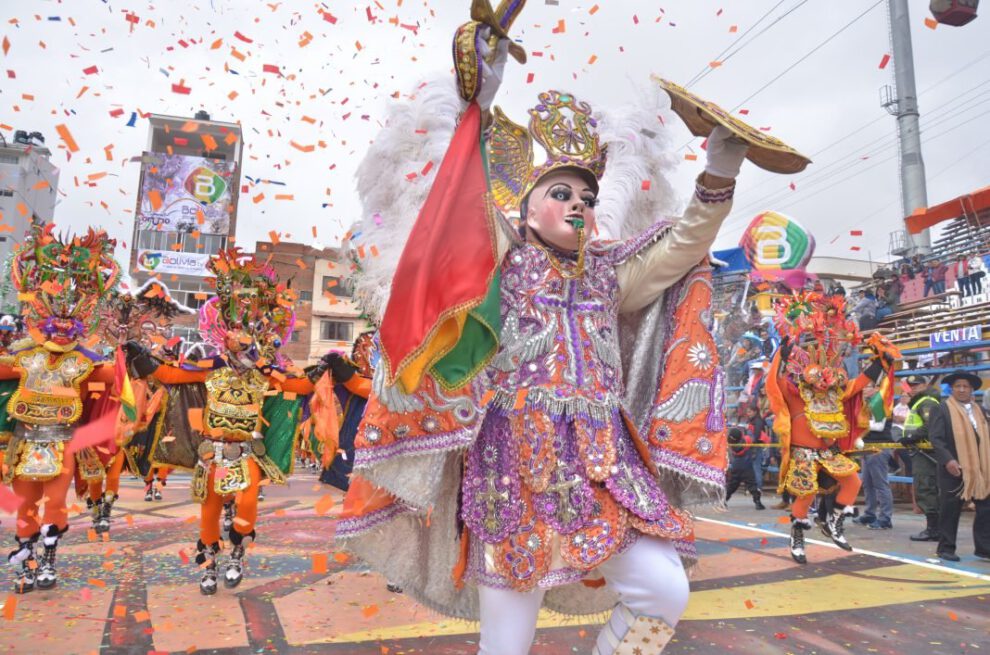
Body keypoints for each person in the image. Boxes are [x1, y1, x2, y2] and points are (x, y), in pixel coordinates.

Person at [332, 7, 791, 650]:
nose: (580, 204)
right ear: (524, 207)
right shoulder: (498, 255)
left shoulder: (610, 273)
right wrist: (478, 99)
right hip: (512, 458)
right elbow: (457, 199)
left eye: (588, 197)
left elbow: (683, 247)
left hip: (607, 459)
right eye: (563, 193)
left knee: (663, 589)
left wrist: (719, 171)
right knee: (507, 639)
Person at [125, 249, 334, 595]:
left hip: (247, 448)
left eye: (249, 333)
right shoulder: (212, 365)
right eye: (236, 331)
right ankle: (208, 562)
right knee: (209, 508)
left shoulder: (266, 372)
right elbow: (174, 375)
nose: (242, 339)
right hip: (214, 451)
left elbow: (296, 386)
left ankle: (237, 545)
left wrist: (324, 371)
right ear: (223, 331)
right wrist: (142, 359)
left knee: (248, 500)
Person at [3, 225, 122, 593]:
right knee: (24, 507)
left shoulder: (86, 365)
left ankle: (49, 559)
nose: (63, 329)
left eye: (72, 325)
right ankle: (28, 558)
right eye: (56, 323)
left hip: (61, 443)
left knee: (55, 503)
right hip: (23, 443)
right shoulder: (22, 358)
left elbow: (113, 380)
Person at [766, 292, 898, 565]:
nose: (825, 377)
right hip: (803, 454)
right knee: (805, 494)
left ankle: (834, 522)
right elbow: (776, 382)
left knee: (854, 481)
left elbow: (861, 382)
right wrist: (783, 351)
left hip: (827, 452)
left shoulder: (836, 394)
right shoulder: (795, 393)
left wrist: (880, 361)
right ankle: (797, 535)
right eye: (820, 372)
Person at [928, 371, 990, 562]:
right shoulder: (942, 409)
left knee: (986, 508)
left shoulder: (980, 411)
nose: (962, 389)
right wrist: (948, 460)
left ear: (972, 389)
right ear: (952, 389)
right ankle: (946, 548)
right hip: (953, 468)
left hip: (980, 469)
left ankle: (984, 548)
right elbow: (936, 438)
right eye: (958, 386)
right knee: (950, 509)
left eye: (965, 386)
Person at [319, 332, 375, 492]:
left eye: (368, 349)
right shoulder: (355, 376)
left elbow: (359, 386)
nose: (363, 354)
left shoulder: (387, 383)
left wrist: (342, 370)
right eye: (361, 348)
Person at [900, 374, 942, 542]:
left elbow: (929, 425)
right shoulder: (920, 401)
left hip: (926, 452)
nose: (914, 388)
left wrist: (912, 437)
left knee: (926, 488)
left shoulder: (927, 402)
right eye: (912, 386)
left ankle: (934, 530)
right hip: (921, 452)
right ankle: (934, 528)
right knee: (925, 488)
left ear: (925, 385)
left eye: (917, 384)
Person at [853, 383, 895, 529]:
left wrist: (859, 424)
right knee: (867, 482)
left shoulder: (880, 402)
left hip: (879, 446)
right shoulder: (868, 403)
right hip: (867, 446)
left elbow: (879, 426)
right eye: (864, 387)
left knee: (880, 483)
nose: (864, 388)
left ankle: (885, 517)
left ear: (877, 388)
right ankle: (870, 513)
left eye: (868, 386)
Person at [725, 427, 766, 510]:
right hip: (746, 465)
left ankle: (724, 500)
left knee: (732, 485)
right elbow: (753, 439)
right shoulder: (746, 440)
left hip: (736, 465)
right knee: (752, 485)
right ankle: (757, 502)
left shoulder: (731, 444)